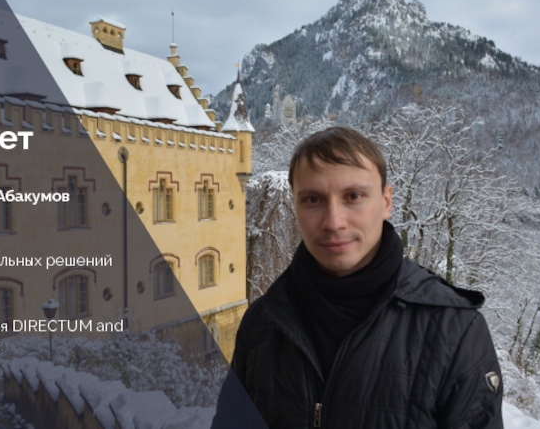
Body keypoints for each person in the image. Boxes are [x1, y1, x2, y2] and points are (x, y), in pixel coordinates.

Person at [212, 127, 503, 428]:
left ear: (386, 202)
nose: (333, 222)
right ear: (295, 207)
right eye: (313, 199)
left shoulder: (455, 331)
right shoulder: (263, 323)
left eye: (353, 196)